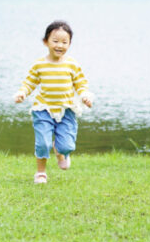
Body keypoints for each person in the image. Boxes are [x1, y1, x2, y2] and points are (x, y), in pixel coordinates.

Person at [14, 20, 93, 184]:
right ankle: (41, 173)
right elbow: (29, 82)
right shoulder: (39, 65)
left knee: (67, 147)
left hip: (66, 110)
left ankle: (60, 152)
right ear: (46, 42)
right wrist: (22, 93)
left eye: (65, 42)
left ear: (70, 44)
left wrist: (85, 96)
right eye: (55, 41)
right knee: (43, 142)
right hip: (43, 109)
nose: (60, 45)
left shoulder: (72, 64)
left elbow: (81, 84)